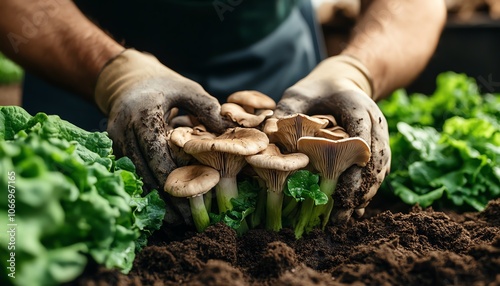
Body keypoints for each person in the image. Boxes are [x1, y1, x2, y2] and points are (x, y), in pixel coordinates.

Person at [0, 0, 446, 224]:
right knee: (84, 210)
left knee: (279, 183)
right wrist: (113, 74)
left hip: (272, 54)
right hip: (79, 58)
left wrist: (355, 70)